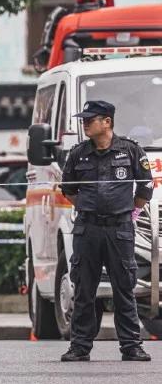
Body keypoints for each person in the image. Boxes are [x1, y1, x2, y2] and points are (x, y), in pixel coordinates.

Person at [59, 100, 152, 363]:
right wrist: (90, 209)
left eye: (90, 119)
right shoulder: (78, 153)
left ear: (107, 122)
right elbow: (69, 190)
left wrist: (126, 212)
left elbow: (145, 188)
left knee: (124, 288)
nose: (85, 123)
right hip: (87, 229)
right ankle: (79, 347)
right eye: (84, 119)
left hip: (119, 229)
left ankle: (132, 346)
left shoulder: (131, 151)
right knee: (84, 288)